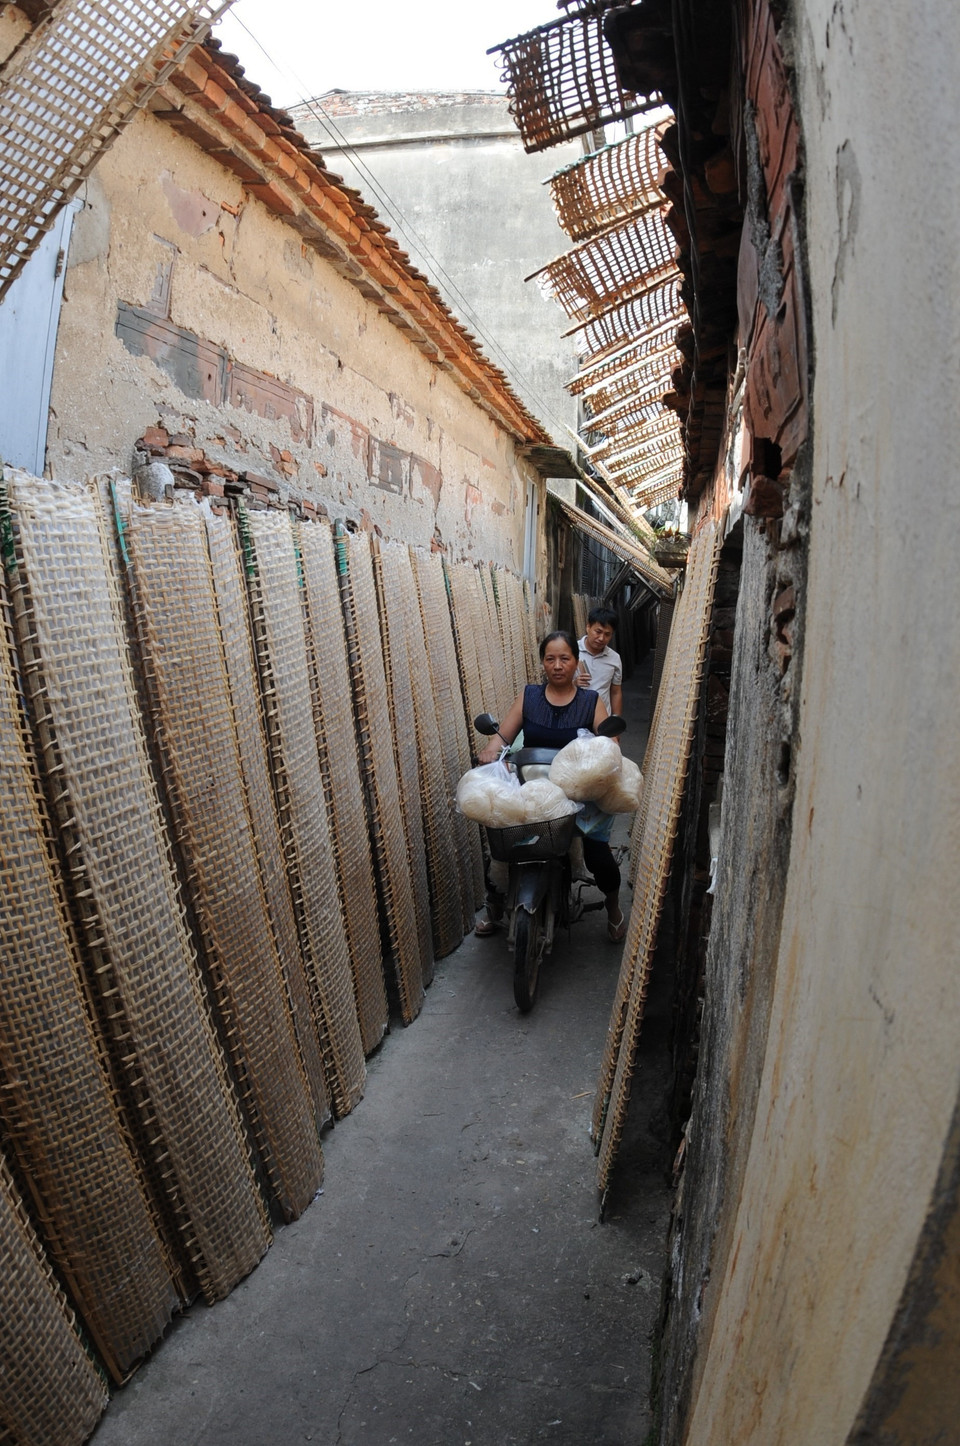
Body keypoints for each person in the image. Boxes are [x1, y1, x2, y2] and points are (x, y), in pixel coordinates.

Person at [475, 629, 626, 942]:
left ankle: (613, 908)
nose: (557, 665)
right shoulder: (529, 696)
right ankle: (494, 905)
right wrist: (491, 750)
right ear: (543, 662)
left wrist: (608, 752)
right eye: (550, 659)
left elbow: (608, 741)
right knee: (502, 841)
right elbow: (503, 736)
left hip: (577, 791)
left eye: (565, 659)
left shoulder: (590, 701)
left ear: (575, 661)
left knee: (598, 855)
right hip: (532, 787)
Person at [576, 606, 623, 716]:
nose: (601, 638)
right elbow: (555, 685)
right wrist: (573, 684)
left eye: (607, 634)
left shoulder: (614, 658)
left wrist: (616, 721)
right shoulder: (571, 651)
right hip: (574, 716)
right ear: (588, 627)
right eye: (598, 632)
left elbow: (616, 692)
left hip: (602, 718)